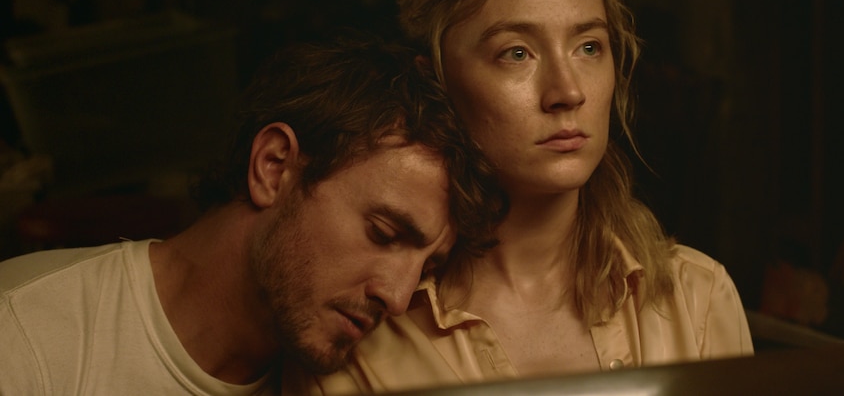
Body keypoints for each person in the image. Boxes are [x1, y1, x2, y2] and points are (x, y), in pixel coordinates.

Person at [293, 0, 753, 394]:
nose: (567, 91)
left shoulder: (695, 299)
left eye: (589, 47)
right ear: (436, 80)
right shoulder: (362, 328)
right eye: (516, 53)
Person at [0, 36, 506, 395]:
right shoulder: (26, 333)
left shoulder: (344, 382)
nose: (397, 297)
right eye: (383, 232)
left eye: (428, 266)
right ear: (274, 167)